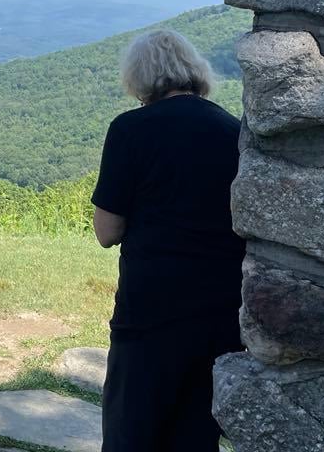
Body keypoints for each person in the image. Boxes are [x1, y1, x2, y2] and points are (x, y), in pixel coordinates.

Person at [92, 29, 245, 451]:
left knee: (132, 428)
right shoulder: (232, 129)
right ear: (193, 71)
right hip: (222, 307)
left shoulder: (130, 129)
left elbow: (108, 232)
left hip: (151, 307)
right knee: (195, 433)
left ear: (140, 79)